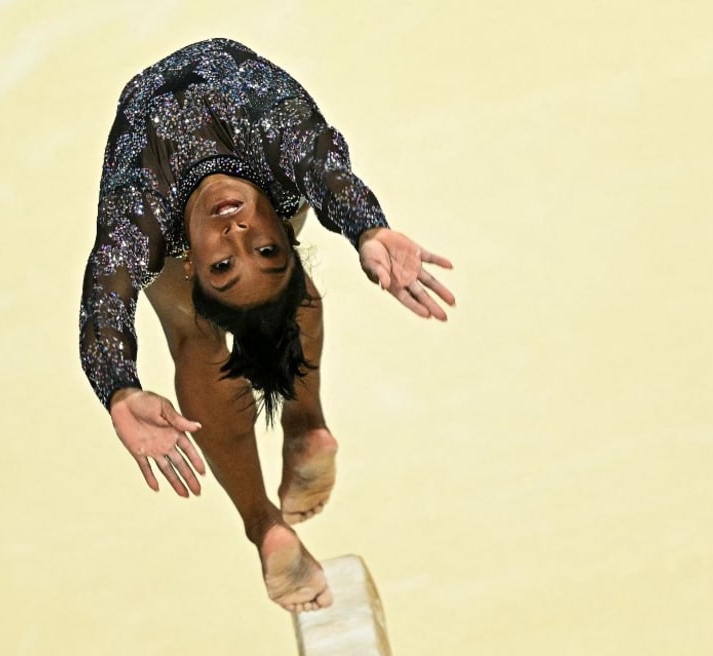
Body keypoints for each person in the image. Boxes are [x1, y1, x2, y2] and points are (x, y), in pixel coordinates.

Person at [79, 38, 455, 613]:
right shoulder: (266, 155)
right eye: (255, 250)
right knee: (275, 290)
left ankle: (264, 524)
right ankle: (307, 425)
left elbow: (105, 296)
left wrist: (120, 386)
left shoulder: (148, 208)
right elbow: (324, 167)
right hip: (242, 98)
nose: (235, 234)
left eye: (231, 262)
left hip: (175, 129)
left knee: (192, 331)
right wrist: (368, 229)